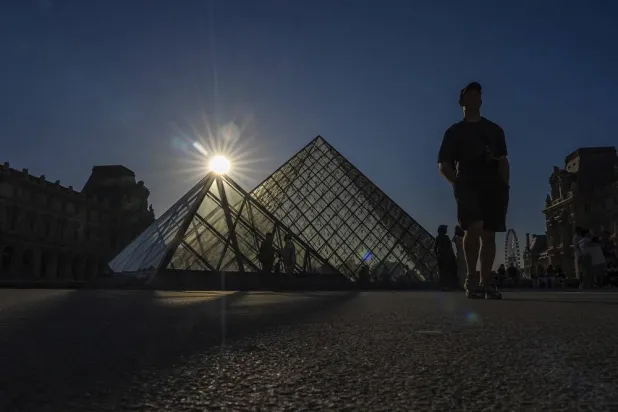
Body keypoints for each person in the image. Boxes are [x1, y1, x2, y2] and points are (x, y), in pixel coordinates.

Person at [437, 82, 509, 299]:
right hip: (467, 183)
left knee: (488, 234)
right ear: (462, 101)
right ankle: (471, 278)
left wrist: (505, 186)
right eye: (470, 93)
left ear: (481, 100)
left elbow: (504, 160)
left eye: (478, 94)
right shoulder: (454, 132)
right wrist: (456, 183)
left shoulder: (495, 130)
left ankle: (486, 281)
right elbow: (443, 163)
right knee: (474, 228)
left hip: (493, 185)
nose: (475, 96)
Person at [433, 225, 457, 289]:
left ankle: (442, 285)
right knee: (447, 271)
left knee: (442, 272)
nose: (446, 230)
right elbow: (450, 248)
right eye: (446, 229)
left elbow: (435, 247)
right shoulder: (446, 237)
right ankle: (447, 285)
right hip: (447, 257)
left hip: (441, 257)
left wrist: (437, 255)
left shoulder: (438, 237)